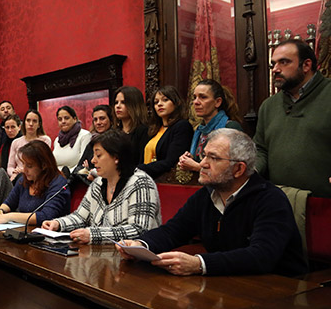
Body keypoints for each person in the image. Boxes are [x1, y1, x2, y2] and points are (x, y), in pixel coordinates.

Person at [117, 129, 308, 277]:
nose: (203, 164)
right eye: (204, 155)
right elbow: (173, 231)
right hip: (229, 284)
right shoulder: (206, 196)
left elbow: (261, 256)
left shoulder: (270, 200)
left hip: (281, 294)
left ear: (239, 169)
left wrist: (199, 264)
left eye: (214, 158)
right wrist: (140, 245)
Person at [42, 131, 161, 243]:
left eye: (98, 155)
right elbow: (81, 217)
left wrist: (93, 234)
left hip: (133, 259)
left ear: (116, 157)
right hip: (101, 256)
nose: (93, 160)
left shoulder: (140, 183)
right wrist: (58, 223)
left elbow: (139, 229)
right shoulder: (98, 183)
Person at [254, 39, 331, 198]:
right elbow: (261, 149)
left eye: (284, 62)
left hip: (324, 204)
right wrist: (250, 170)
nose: (275, 69)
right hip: (278, 203)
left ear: (306, 65)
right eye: (273, 64)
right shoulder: (268, 106)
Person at [0, 140, 70, 226]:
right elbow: (9, 203)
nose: (24, 169)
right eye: (23, 164)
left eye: (29, 166)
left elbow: (46, 216)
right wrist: (1, 211)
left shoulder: (59, 184)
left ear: (44, 165)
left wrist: (9, 216)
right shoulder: (23, 180)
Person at [178, 80, 242, 173]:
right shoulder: (200, 130)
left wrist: (197, 167)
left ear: (217, 102)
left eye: (203, 97)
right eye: (194, 97)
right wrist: (188, 159)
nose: (196, 102)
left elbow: (235, 169)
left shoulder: (231, 127)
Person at [138, 86, 193, 179]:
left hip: (163, 181)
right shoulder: (154, 129)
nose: (159, 104)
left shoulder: (182, 126)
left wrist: (138, 169)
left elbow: (170, 162)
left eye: (165, 100)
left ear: (176, 102)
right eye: (156, 102)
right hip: (145, 179)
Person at [74, 105, 116, 182]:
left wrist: (89, 170)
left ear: (111, 120)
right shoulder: (93, 141)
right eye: (95, 120)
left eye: (102, 118)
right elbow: (80, 166)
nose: (98, 123)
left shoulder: (116, 140)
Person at [7, 110, 51, 182]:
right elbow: (10, 167)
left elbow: (45, 164)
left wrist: (25, 171)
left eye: (34, 121)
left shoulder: (45, 140)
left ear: (39, 125)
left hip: (37, 177)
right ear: (24, 123)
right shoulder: (15, 142)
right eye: (28, 120)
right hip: (18, 176)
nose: (31, 124)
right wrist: (15, 172)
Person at [114, 86, 149, 166]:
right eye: (116, 102)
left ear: (134, 105)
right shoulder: (114, 132)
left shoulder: (143, 131)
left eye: (123, 102)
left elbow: (142, 162)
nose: (118, 106)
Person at [52, 106, 91, 172]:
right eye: (60, 119)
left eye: (66, 118)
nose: (63, 121)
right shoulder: (57, 140)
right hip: (57, 177)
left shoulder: (85, 136)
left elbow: (83, 163)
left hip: (75, 177)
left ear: (75, 119)